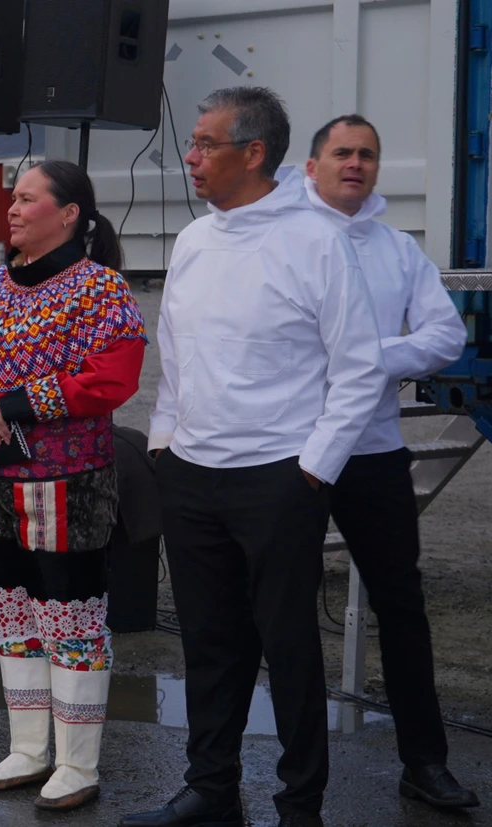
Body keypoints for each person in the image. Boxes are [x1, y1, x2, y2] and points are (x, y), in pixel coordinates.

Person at [122, 88, 386, 827]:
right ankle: (211, 787)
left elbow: (359, 365)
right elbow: (175, 355)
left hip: (279, 475)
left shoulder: (316, 240)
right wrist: (166, 444)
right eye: (194, 142)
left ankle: (300, 803)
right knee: (208, 641)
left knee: (289, 643)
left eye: (206, 143)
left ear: (254, 152)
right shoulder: (196, 240)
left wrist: (314, 467)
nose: (191, 155)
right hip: (193, 474)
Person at [0, 160, 147, 812]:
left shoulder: (100, 290)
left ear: (69, 214)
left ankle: (77, 762)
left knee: (71, 619)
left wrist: (24, 401)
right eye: (14, 198)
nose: (14, 208)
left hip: (69, 488)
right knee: (11, 617)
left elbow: (117, 374)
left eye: (28, 198)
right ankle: (29, 748)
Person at [305, 115, 477, 810]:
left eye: (368, 155)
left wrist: (370, 358)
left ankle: (425, 761)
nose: (356, 164)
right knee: (277, 607)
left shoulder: (398, 250)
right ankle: (291, 771)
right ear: (312, 164)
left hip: (372, 452)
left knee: (402, 607)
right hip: (293, 451)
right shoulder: (283, 238)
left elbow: (445, 333)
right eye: (342, 152)